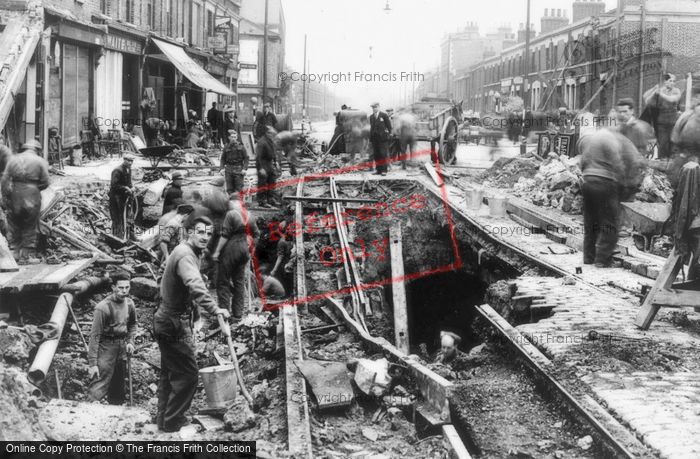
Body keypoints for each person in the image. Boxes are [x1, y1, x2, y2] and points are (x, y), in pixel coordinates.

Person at [154, 216, 231, 432]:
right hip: (172, 321)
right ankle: (174, 420)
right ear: (190, 233)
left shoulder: (190, 252)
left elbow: (185, 288)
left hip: (169, 319)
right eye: (201, 232)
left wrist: (196, 313)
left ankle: (164, 421)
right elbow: (195, 285)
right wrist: (215, 309)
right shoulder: (185, 255)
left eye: (209, 233)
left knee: (170, 373)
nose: (205, 237)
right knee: (188, 374)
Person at [578, 130, 645, 267]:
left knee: (591, 223)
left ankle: (588, 258)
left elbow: (583, 160)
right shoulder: (613, 139)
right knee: (611, 224)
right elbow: (618, 163)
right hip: (605, 183)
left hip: (588, 181)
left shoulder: (595, 138)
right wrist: (624, 185)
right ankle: (603, 260)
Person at [87, 272, 136, 405]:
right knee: (100, 381)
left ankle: (116, 411)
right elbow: (95, 336)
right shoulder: (102, 308)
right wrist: (93, 364)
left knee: (119, 383)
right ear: (113, 287)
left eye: (127, 287)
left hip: (122, 347)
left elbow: (132, 324)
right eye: (121, 287)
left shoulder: (130, 304)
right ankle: (91, 408)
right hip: (106, 347)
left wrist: (130, 341)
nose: (124, 291)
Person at [0, 139, 50, 260]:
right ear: (37, 150)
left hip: (15, 193)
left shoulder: (14, 159)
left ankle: (14, 254)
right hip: (32, 194)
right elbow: (46, 182)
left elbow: (5, 179)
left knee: (14, 224)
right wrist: (35, 189)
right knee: (30, 225)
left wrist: (7, 195)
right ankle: (27, 255)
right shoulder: (40, 161)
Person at [212, 201, 259, 322]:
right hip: (244, 249)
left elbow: (225, 236)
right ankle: (237, 315)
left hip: (231, 248)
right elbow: (256, 235)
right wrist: (251, 250)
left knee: (223, 282)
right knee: (239, 282)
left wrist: (217, 252)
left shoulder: (231, 214)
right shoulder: (250, 215)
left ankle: (224, 314)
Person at [645, 73, 681, 159]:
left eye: (674, 81)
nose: (673, 83)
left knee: (673, 143)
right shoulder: (660, 91)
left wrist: (660, 94)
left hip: (673, 122)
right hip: (662, 123)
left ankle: (672, 163)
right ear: (665, 82)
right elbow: (647, 101)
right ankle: (662, 163)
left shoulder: (676, 91)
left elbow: (673, 99)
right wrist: (653, 90)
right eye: (670, 81)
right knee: (662, 144)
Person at [109, 154, 134, 239]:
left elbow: (129, 182)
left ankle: (130, 235)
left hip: (124, 197)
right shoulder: (117, 170)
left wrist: (131, 187)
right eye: (128, 161)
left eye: (132, 161)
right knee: (117, 217)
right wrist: (125, 188)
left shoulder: (129, 169)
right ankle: (117, 237)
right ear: (124, 160)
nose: (130, 163)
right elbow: (114, 185)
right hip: (116, 198)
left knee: (129, 216)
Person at [255, 126, 280, 208]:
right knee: (262, 183)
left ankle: (271, 199)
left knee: (272, 181)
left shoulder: (270, 140)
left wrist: (276, 162)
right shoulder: (261, 142)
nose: (273, 135)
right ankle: (262, 201)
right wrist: (261, 168)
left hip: (270, 163)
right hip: (263, 163)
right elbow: (258, 157)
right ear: (267, 133)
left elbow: (274, 151)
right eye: (271, 133)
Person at [220, 130, 249, 197]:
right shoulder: (226, 147)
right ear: (229, 138)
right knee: (229, 188)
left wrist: (244, 169)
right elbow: (222, 159)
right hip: (228, 169)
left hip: (238, 169)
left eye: (235, 137)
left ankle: (238, 204)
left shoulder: (241, 147)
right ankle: (231, 203)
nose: (233, 139)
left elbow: (246, 158)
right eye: (232, 137)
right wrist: (221, 168)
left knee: (238, 188)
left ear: (237, 137)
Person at [270, 221, 293, 296]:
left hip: (288, 264)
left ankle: (287, 295)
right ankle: (287, 295)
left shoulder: (284, 241)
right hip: (287, 264)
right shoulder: (283, 242)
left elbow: (280, 257)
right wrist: (274, 270)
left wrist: (274, 270)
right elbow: (280, 256)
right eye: (288, 229)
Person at [369, 102, 392, 175]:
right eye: (373, 108)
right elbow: (371, 128)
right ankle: (378, 170)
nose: (374, 109)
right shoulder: (371, 117)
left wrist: (388, 134)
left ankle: (384, 170)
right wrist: (371, 138)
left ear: (378, 107)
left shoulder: (384, 115)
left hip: (383, 139)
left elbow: (389, 126)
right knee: (376, 154)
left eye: (375, 107)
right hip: (374, 139)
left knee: (383, 154)